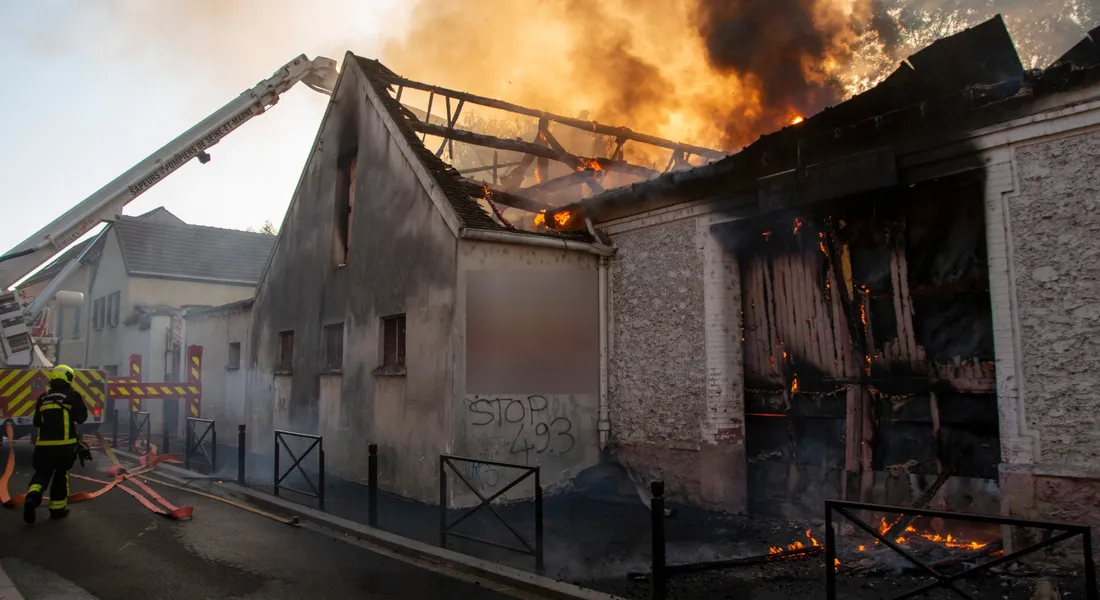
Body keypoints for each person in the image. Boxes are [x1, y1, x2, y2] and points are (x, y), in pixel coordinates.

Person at [24, 364, 88, 524]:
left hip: (43, 447)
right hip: (64, 446)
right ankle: (57, 510)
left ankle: (32, 496)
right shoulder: (72, 396)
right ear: (68, 378)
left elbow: (37, 422)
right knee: (60, 476)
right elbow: (81, 418)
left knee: (42, 474)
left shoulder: (43, 397)